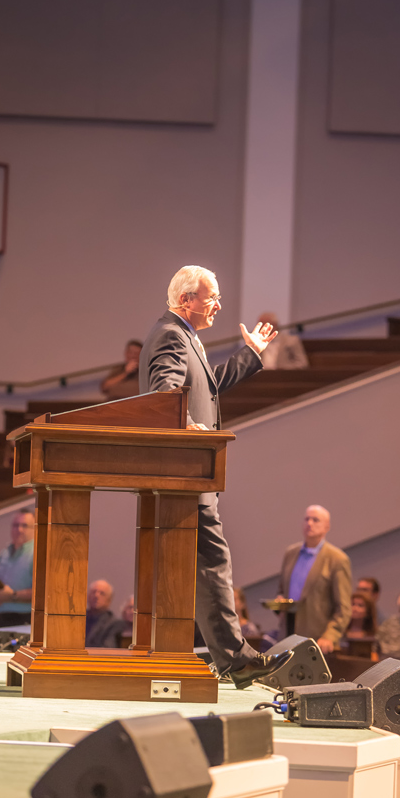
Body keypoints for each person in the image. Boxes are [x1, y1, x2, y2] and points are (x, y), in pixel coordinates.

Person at [139, 265, 292, 688]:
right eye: (212, 297)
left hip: (188, 471)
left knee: (198, 564)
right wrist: (186, 426)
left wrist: (252, 355)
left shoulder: (185, 336)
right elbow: (163, 392)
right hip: (184, 470)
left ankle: (223, 658)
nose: (219, 305)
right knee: (211, 560)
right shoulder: (172, 335)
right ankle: (234, 659)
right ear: (187, 299)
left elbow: (208, 387)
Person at [277, 505, 352, 654]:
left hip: (317, 640)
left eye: (315, 520)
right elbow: (281, 590)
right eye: (306, 519)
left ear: (327, 526)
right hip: (288, 631)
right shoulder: (291, 553)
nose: (309, 523)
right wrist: (279, 599)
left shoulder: (337, 559)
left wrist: (330, 635)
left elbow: (343, 608)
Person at [85, 579, 118, 648]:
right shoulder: (79, 619)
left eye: (102, 593)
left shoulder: (114, 624)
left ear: (109, 600)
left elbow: (107, 648)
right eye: (93, 592)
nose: (96, 596)